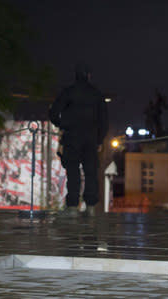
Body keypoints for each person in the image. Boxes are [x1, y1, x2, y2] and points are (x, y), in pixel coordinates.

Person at [49, 63, 108, 217]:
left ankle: (73, 207)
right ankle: (90, 207)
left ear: (75, 76)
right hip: (91, 139)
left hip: (72, 136)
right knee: (91, 173)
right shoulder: (97, 94)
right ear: (89, 76)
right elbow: (104, 120)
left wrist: (61, 125)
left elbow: (54, 113)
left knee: (73, 172)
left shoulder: (68, 92)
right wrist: (100, 140)